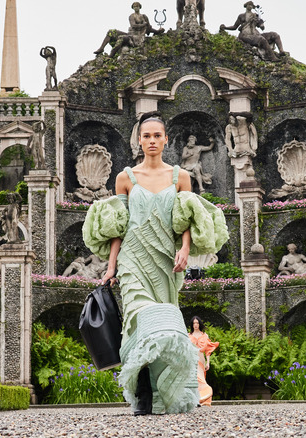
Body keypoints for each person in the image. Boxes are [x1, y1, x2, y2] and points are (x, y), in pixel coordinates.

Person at [83, 111, 229, 415]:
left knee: (165, 325)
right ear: (139, 140)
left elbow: (186, 218)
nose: (151, 140)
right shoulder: (125, 177)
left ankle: (164, 387)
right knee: (141, 318)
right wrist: (111, 267)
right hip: (133, 259)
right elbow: (118, 228)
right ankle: (144, 390)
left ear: (165, 139)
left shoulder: (180, 177)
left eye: (157, 135)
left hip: (166, 260)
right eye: (146, 135)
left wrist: (185, 249)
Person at [220, 1, 285, 62]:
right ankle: (272, 57)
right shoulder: (241, 16)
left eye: (252, 5)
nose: (250, 6)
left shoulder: (255, 15)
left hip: (255, 34)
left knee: (274, 34)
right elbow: (235, 27)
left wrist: (261, 24)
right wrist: (225, 27)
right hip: (245, 35)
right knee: (261, 39)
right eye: (249, 5)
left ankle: (281, 51)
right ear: (246, 6)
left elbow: (262, 27)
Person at [94, 2, 164, 57]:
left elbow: (149, 28)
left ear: (140, 7)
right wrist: (143, 24)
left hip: (136, 38)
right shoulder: (132, 16)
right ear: (133, 8)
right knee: (111, 32)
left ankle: (111, 55)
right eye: (134, 7)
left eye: (137, 6)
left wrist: (157, 31)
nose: (136, 8)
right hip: (130, 34)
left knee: (121, 38)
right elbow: (133, 26)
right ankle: (101, 48)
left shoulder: (143, 17)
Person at [188, 316, 219, 406]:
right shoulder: (188, 336)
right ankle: (197, 399)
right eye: (194, 323)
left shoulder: (204, 336)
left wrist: (208, 362)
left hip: (201, 360)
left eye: (197, 323)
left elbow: (208, 351)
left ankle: (202, 398)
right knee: (194, 379)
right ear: (192, 325)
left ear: (200, 324)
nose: (195, 325)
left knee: (200, 379)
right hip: (192, 359)